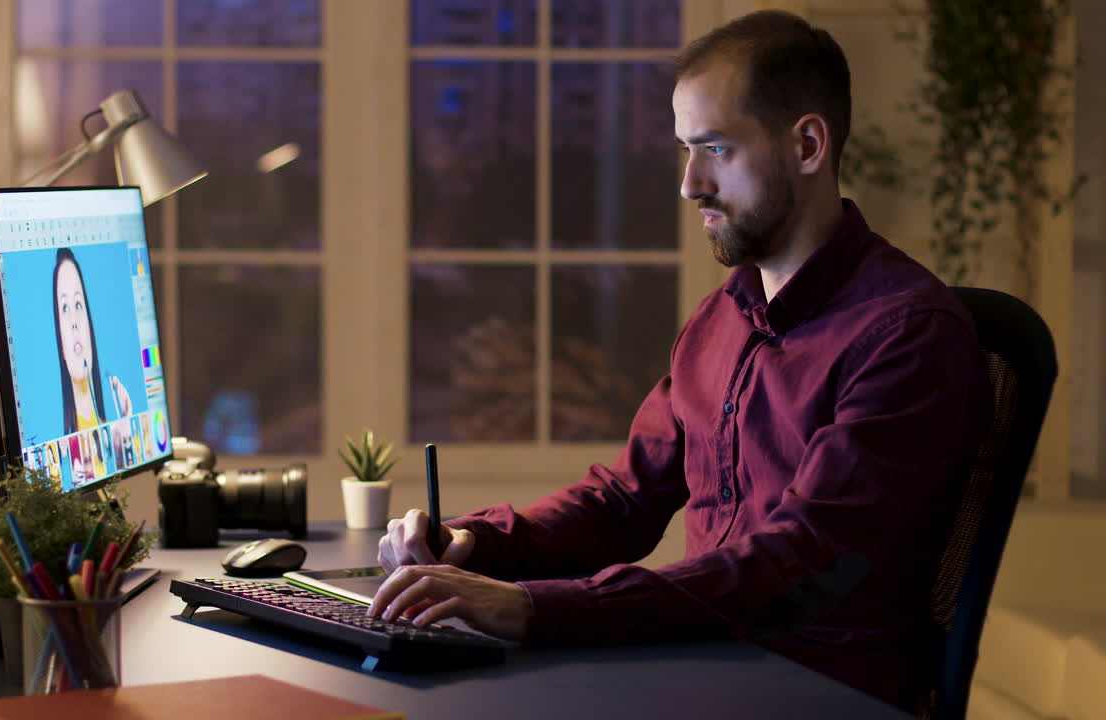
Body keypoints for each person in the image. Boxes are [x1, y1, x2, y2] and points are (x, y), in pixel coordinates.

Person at [369, 10, 987, 713]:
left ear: (808, 145)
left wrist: (532, 609)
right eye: (685, 150)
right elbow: (625, 501)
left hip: (814, 692)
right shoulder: (723, 314)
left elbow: (795, 566)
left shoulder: (909, 336)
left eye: (716, 149)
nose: (689, 183)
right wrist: (470, 546)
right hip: (698, 662)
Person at [52, 247, 131, 481]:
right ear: (60, 343)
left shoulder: (117, 432)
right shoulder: (61, 452)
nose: (74, 322)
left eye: (78, 305)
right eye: (64, 309)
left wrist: (125, 427)